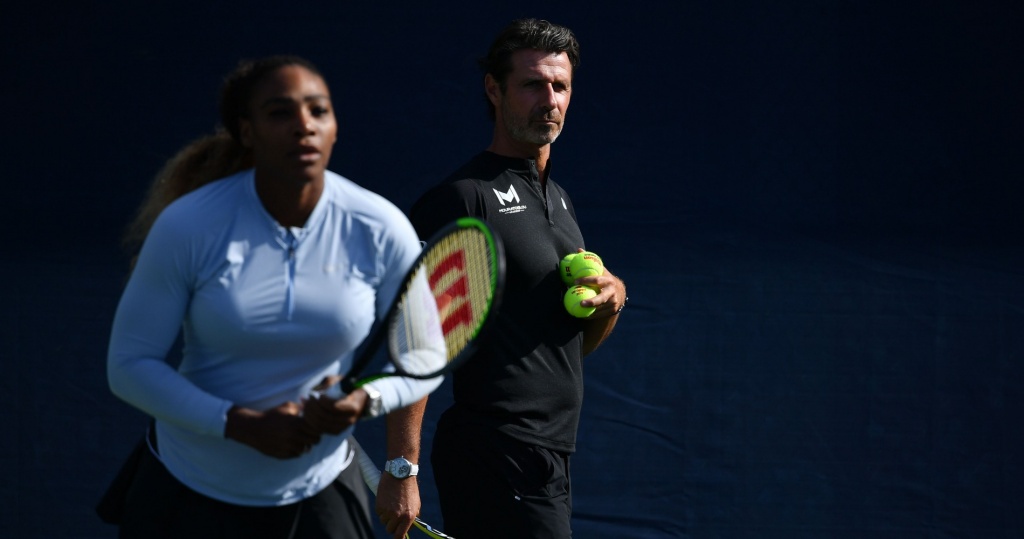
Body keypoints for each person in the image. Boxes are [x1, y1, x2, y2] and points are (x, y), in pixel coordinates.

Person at [106, 55, 442, 539]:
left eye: (318, 110)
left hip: (319, 492)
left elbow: (425, 355)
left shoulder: (380, 227)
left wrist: (364, 400)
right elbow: (129, 365)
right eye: (281, 113)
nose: (303, 126)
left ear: (335, 126)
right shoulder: (188, 226)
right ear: (247, 131)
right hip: (187, 492)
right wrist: (236, 423)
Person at [408, 18, 627, 538]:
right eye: (532, 84)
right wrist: (402, 467)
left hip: (551, 453)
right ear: (494, 89)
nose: (548, 98)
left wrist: (612, 300)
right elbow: (416, 340)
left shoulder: (560, 199)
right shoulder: (464, 198)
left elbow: (558, 347)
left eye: (560, 86)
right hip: (495, 451)